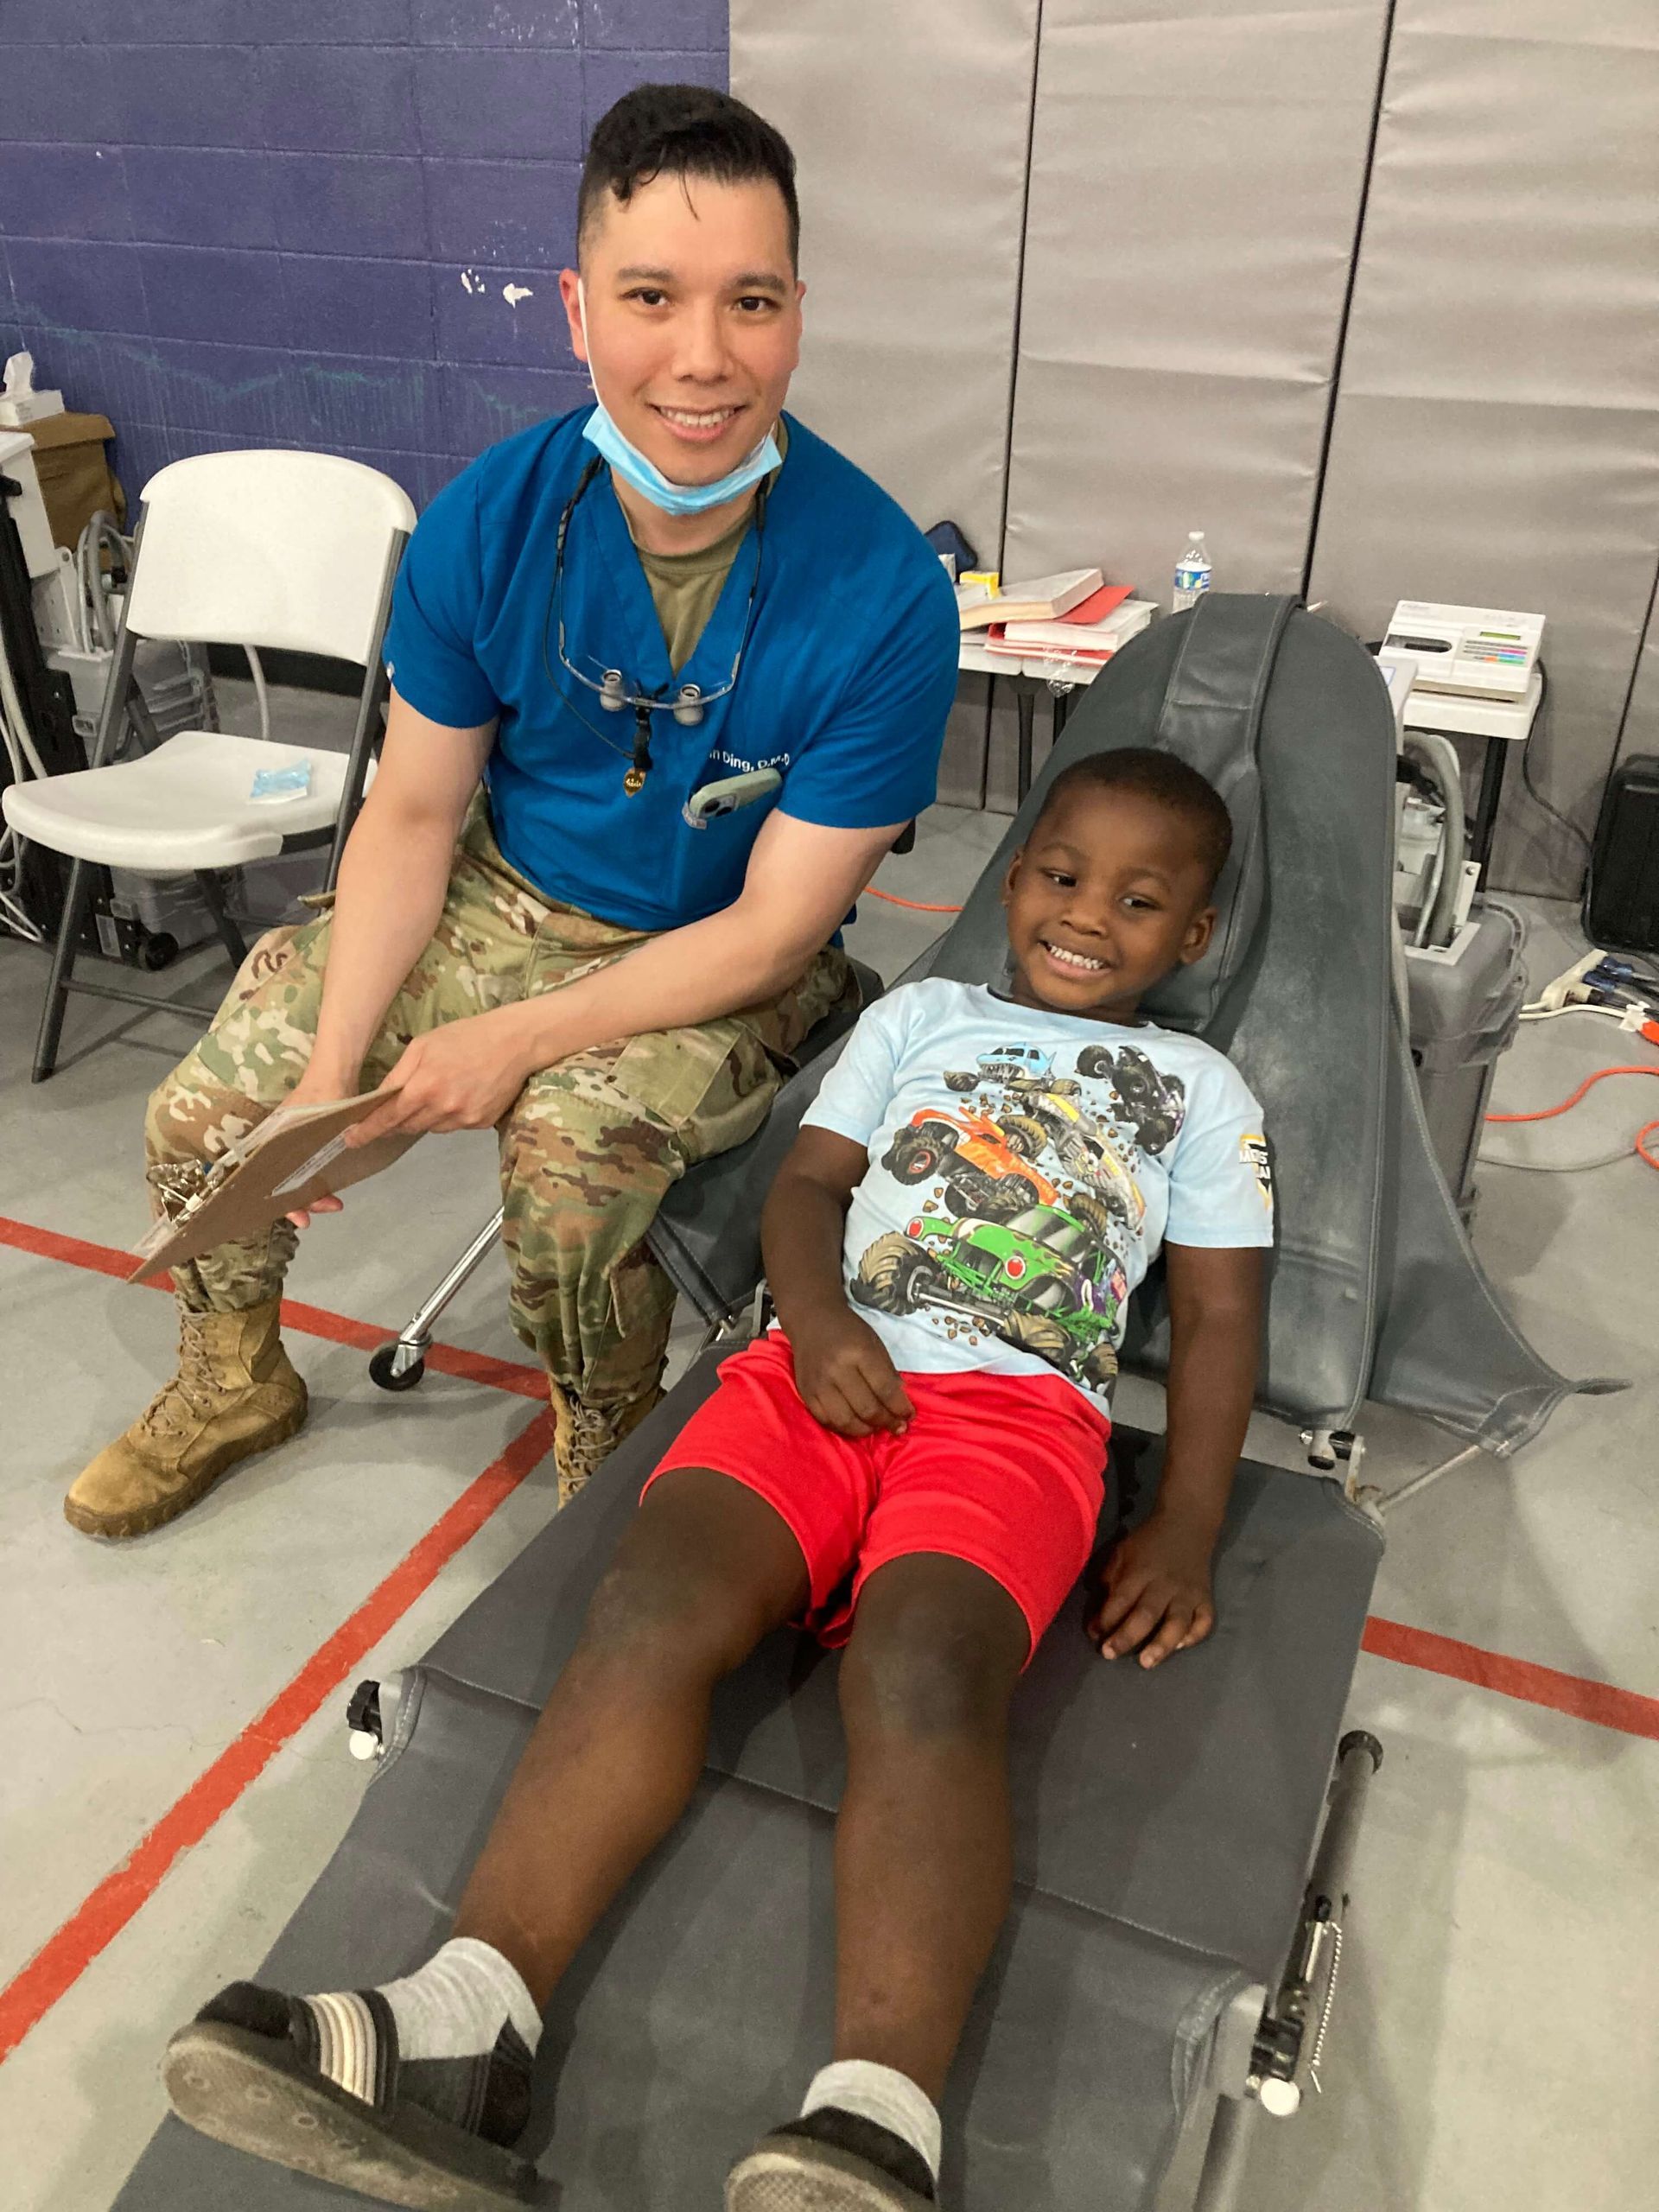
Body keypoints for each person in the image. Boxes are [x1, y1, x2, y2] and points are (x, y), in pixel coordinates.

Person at [163, 747, 1277, 2211]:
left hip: (1014, 1421)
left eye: (1141, 902)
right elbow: (810, 1193)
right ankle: (461, 2027)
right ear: (1012, 882)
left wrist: (1188, 1519)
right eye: (1062, 877)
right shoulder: (922, 1019)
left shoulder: (1202, 1088)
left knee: (925, 1674)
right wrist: (812, 1323)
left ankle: (877, 2125)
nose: (1088, 916)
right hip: (809, 1372)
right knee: (649, 1607)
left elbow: (1216, 1316)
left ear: (1193, 939)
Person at [61, 83, 959, 1540]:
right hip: (503, 889)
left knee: (569, 1171)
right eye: (650, 297)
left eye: (751, 301)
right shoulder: (492, 519)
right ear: (575, 308)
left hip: (719, 955)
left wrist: (514, 1043)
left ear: (800, 308)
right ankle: (232, 1376)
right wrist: (330, 1078)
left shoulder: (884, 597)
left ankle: (604, 1452)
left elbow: (780, 924)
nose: (703, 358)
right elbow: (414, 817)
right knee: (211, 1110)